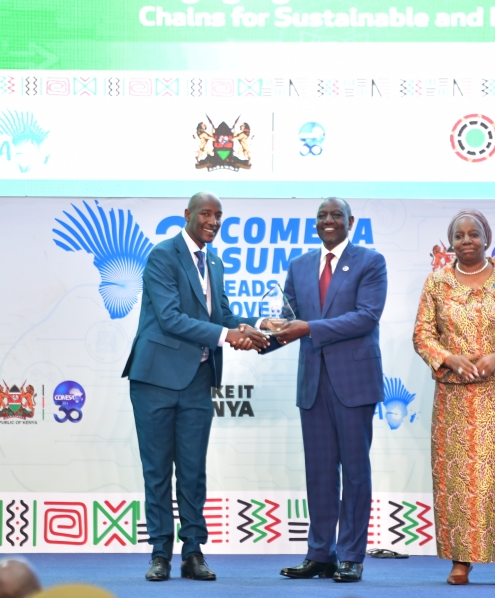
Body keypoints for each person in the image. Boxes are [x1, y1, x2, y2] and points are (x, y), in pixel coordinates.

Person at [123, 191, 267, 582]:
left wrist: (258, 327)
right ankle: (159, 553)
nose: (213, 221)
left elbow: (222, 315)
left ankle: (193, 553)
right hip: (154, 379)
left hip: (198, 379)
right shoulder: (162, 256)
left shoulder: (215, 262)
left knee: (192, 471)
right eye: (206, 213)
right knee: (157, 471)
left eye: (219, 216)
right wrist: (227, 335)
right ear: (187, 215)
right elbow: (170, 318)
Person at [261, 198, 387, 583]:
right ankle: (320, 554)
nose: (328, 221)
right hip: (313, 382)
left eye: (336, 215)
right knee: (318, 474)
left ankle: (350, 555)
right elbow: (290, 320)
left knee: (354, 472)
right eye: (321, 216)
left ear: (350, 221)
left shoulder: (370, 261)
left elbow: (366, 317)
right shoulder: (299, 266)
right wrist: (262, 333)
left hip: (354, 383)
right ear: (315, 224)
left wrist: (308, 328)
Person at [412, 209, 495, 587]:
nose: (467, 241)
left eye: (474, 234)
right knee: (456, 480)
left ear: (487, 237)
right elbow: (422, 335)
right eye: (460, 235)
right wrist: (449, 358)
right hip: (453, 399)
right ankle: (460, 560)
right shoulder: (436, 282)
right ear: (451, 241)